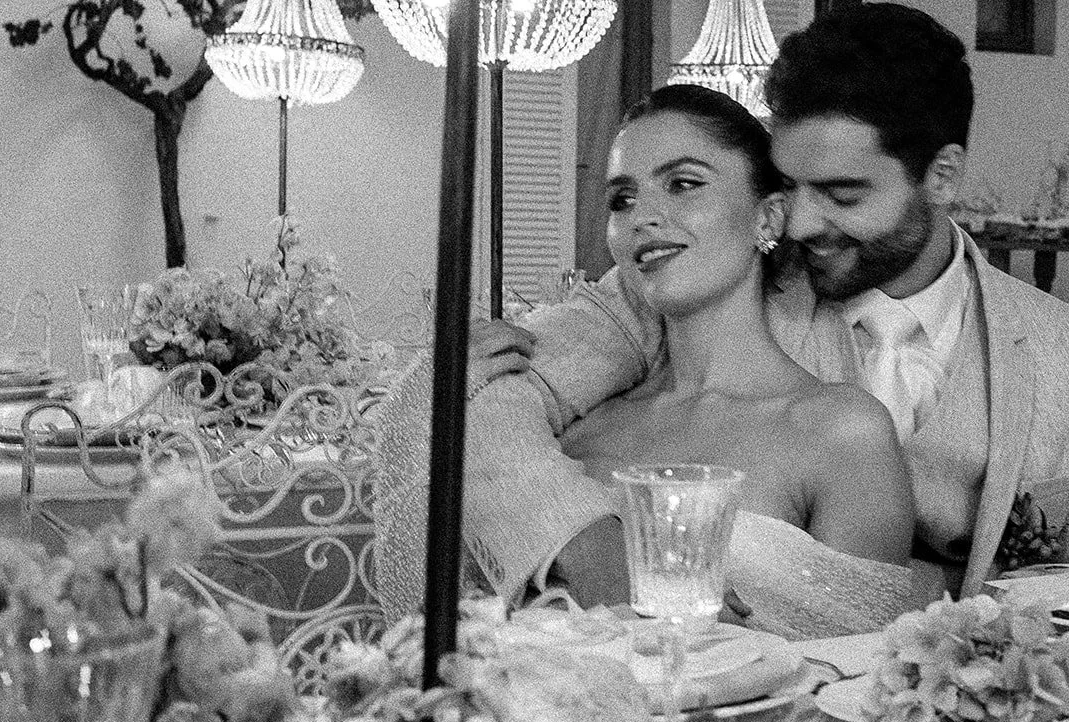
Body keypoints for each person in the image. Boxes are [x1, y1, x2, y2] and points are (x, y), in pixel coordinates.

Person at [452, 2, 1069, 622]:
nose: (801, 223)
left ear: (942, 176)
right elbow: (481, 400)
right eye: (789, 187)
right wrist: (593, 551)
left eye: (842, 193)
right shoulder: (694, 286)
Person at [375, 84, 926, 636]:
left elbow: (861, 672)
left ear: (769, 218)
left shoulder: (842, 430)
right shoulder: (570, 431)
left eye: (684, 184)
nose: (643, 217)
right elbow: (442, 631)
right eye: (623, 199)